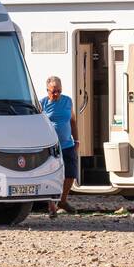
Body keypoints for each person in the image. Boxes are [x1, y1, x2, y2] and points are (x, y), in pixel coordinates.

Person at [40, 76, 77, 216]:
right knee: (52, 175)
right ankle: (52, 206)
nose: (56, 94)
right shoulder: (42, 103)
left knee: (71, 173)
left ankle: (62, 200)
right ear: (47, 90)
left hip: (68, 144)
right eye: (53, 91)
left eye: (59, 91)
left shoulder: (67, 101)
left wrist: (77, 140)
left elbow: (72, 121)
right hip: (52, 145)